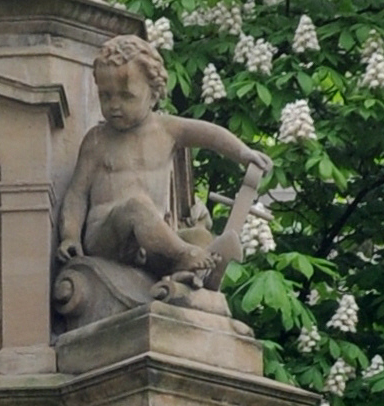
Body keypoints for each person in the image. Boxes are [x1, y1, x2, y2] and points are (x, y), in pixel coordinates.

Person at [57, 36, 271, 293]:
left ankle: (185, 275)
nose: (114, 105)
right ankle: (183, 255)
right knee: (137, 206)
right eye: (106, 96)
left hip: (150, 243)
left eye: (126, 96)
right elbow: (76, 194)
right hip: (108, 237)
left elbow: (210, 134)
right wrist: (70, 235)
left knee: (200, 237)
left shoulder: (166, 130)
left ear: (154, 94)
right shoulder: (96, 140)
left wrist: (244, 153)